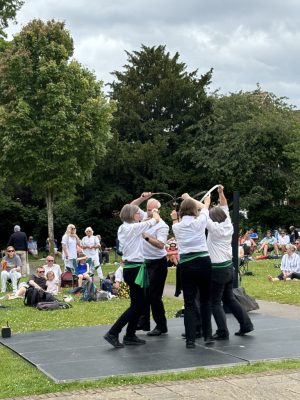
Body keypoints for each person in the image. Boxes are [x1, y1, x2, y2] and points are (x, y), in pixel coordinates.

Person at [196, 186, 253, 339]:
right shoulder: (228, 223)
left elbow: (203, 212)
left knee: (215, 302)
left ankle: (222, 332)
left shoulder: (214, 228)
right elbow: (224, 206)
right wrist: (221, 193)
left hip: (218, 270)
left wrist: (193, 200)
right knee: (229, 298)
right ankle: (246, 324)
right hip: (229, 267)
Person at [104, 203, 160, 349]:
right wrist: (154, 212)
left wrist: (145, 203)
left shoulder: (124, 227)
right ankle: (113, 332)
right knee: (137, 305)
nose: (139, 215)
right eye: (136, 213)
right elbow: (155, 220)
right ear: (130, 215)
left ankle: (129, 335)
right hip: (135, 269)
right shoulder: (133, 228)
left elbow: (144, 220)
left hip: (131, 268)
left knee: (138, 304)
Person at [171, 194, 213, 349]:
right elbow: (204, 209)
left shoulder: (176, 226)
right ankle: (208, 335)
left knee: (189, 302)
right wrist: (206, 202)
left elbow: (176, 224)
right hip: (203, 261)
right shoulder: (200, 221)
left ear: (181, 211)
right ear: (194, 210)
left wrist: (175, 217)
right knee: (205, 300)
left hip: (186, 264)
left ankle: (190, 340)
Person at [131, 192, 169, 336]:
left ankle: (161, 325)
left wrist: (146, 236)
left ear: (158, 211)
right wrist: (142, 198)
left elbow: (160, 245)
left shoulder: (162, 226)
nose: (149, 213)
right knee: (143, 294)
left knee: (154, 296)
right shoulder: (144, 218)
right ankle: (143, 322)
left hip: (158, 263)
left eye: (152, 210)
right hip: (144, 262)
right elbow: (131, 206)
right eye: (147, 210)